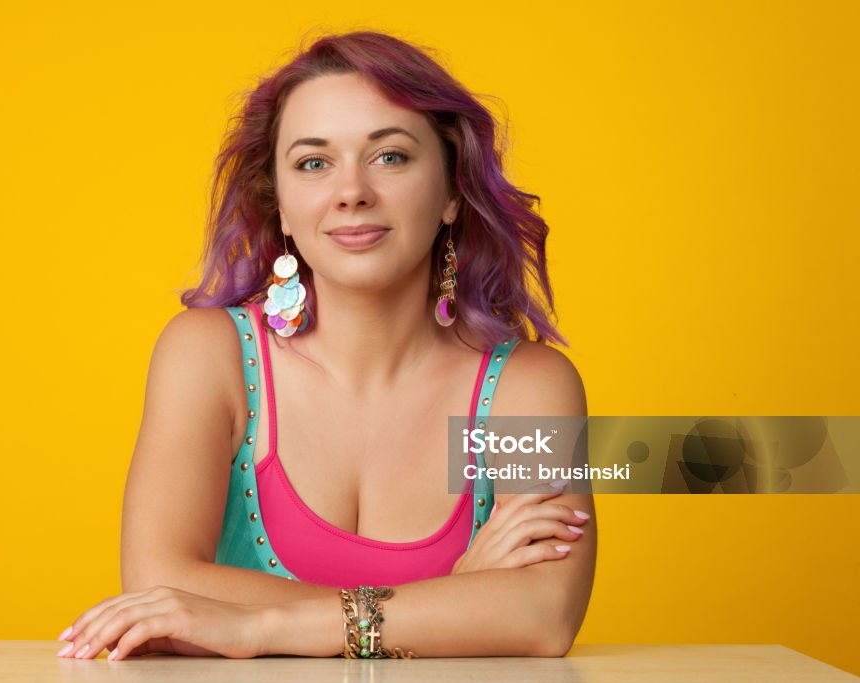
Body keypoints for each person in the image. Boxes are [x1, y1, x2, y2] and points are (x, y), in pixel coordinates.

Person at [55, 29, 595, 661]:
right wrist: (454, 600)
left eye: (390, 156)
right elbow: (156, 586)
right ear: (279, 204)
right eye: (313, 163)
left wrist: (257, 628)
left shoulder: (533, 388)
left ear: (451, 191)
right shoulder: (208, 355)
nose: (351, 192)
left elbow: (545, 616)